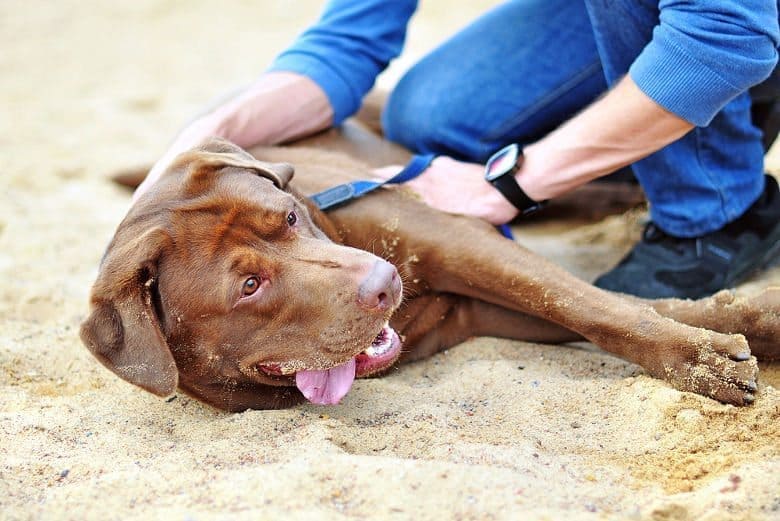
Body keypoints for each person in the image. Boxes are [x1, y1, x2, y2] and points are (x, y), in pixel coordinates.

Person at [136, 0, 780, 299]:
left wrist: (506, 186)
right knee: (435, 113)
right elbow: (344, 44)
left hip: (734, 19)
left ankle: (716, 208)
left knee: (710, 47)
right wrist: (205, 138)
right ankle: (666, 137)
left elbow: (722, 36)